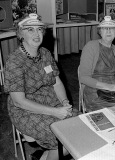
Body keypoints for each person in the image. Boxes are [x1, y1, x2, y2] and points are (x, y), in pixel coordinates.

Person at [4, 13, 78, 160]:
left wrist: (64, 102)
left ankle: (43, 156)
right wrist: (55, 112)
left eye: (39, 29)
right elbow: (19, 101)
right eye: (30, 29)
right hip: (25, 110)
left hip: (50, 100)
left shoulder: (45, 53)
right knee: (61, 137)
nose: (36, 34)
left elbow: (56, 82)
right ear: (20, 34)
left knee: (79, 125)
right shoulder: (14, 61)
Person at [78, 16, 115, 112]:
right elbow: (83, 78)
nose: (108, 31)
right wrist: (110, 87)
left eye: (111, 28)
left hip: (114, 93)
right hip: (95, 93)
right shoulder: (91, 47)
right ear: (100, 31)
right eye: (105, 28)